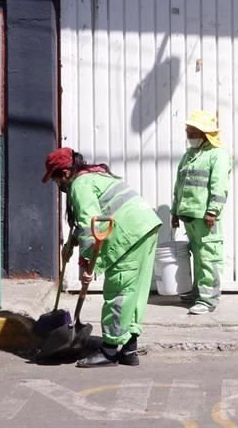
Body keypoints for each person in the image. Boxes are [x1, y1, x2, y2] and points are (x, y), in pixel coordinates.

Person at [43, 147, 162, 368]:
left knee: (119, 291)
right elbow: (86, 223)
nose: (57, 186)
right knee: (134, 292)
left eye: (56, 179)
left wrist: (89, 263)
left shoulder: (79, 184)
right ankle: (129, 348)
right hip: (145, 227)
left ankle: (109, 350)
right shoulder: (94, 176)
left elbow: (92, 224)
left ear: (66, 173)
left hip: (129, 233)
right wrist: (70, 246)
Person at [171, 109, 233, 315]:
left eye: (192, 131)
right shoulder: (189, 155)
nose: (188, 135)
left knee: (209, 257)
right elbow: (179, 185)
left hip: (206, 218)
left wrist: (212, 212)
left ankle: (208, 300)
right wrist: (174, 212)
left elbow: (219, 186)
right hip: (189, 216)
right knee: (197, 257)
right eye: (188, 130)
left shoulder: (218, 155)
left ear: (204, 133)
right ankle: (198, 292)